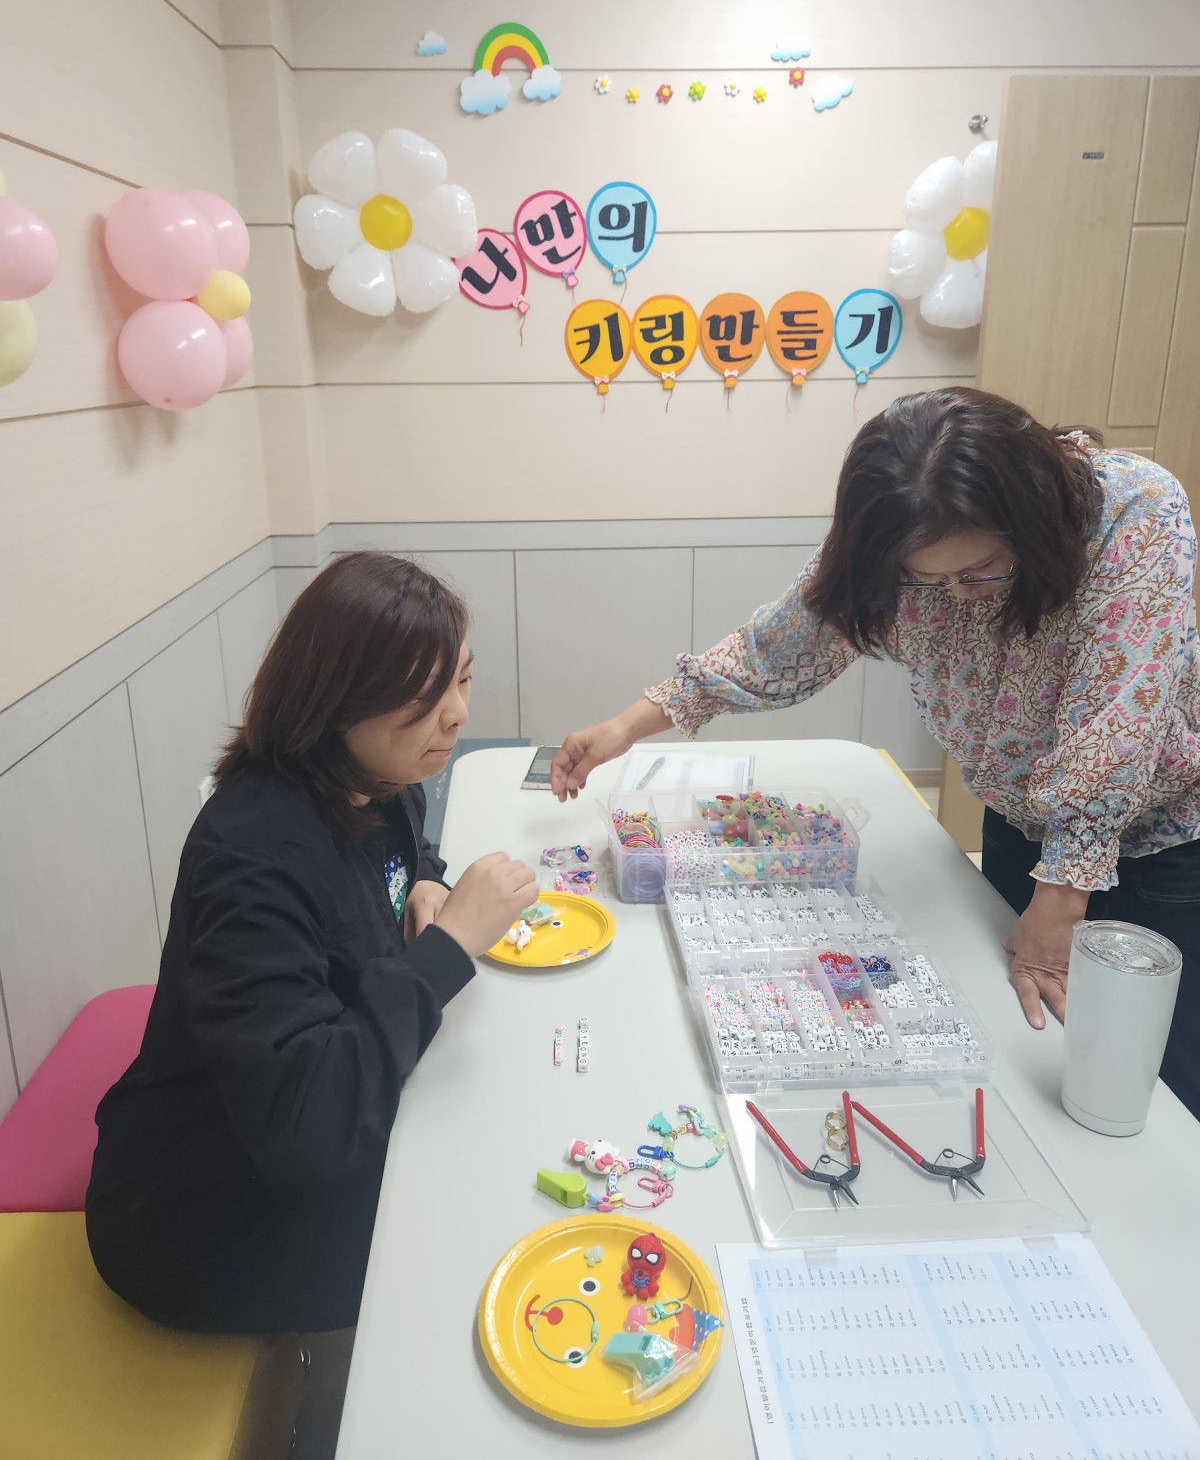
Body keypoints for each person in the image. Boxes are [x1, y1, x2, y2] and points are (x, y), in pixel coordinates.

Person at [551, 387, 1200, 1119]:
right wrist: (627, 726)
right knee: (1024, 1056)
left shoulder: (1132, 510)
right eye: (927, 580)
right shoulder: (890, 542)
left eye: (981, 570)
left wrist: (1062, 898)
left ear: (1026, 520)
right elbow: (778, 645)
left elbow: (1117, 716)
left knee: (1155, 1085)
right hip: (1023, 823)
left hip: (1159, 843)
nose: (957, 595)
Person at [87, 552, 538, 1335]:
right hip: (199, 1213)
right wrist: (448, 947)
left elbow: (404, 864)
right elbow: (307, 1131)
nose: (458, 714)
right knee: (478, 1242)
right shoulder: (251, 856)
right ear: (336, 700)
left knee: (500, 1138)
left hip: (297, 1118)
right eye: (425, 696)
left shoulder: (376, 779)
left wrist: (425, 886)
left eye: (463, 679)